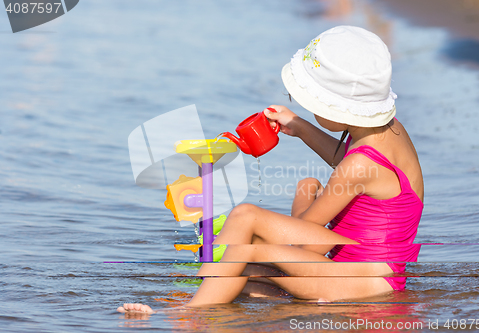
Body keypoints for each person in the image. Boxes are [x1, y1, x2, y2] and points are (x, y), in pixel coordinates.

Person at [118, 25, 424, 314]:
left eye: (315, 105)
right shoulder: (391, 132)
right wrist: (300, 127)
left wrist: (260, 238)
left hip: (360, 283)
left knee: (246, 222)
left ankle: (189, 315)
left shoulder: (358, 166)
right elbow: (351, 161)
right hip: (370, 273)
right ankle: (225, 294)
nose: (312, 110)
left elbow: (307, 241)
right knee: (248, 256)